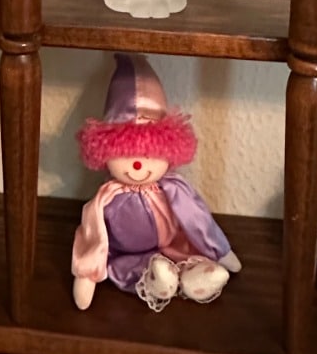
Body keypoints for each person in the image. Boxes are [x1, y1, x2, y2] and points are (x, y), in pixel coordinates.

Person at [71, 53, 241, 312]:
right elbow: (91, 233)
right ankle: (157, 279)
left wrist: (221, 251)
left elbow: (197, 219)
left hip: (170, 245)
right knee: (137, 268)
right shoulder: (107, 196)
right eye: (126, 152)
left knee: (185, 253)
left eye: (150, 152)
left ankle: (195, 277)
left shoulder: (172, 187)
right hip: (124, 254)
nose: (138, 164)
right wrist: (86, 274)